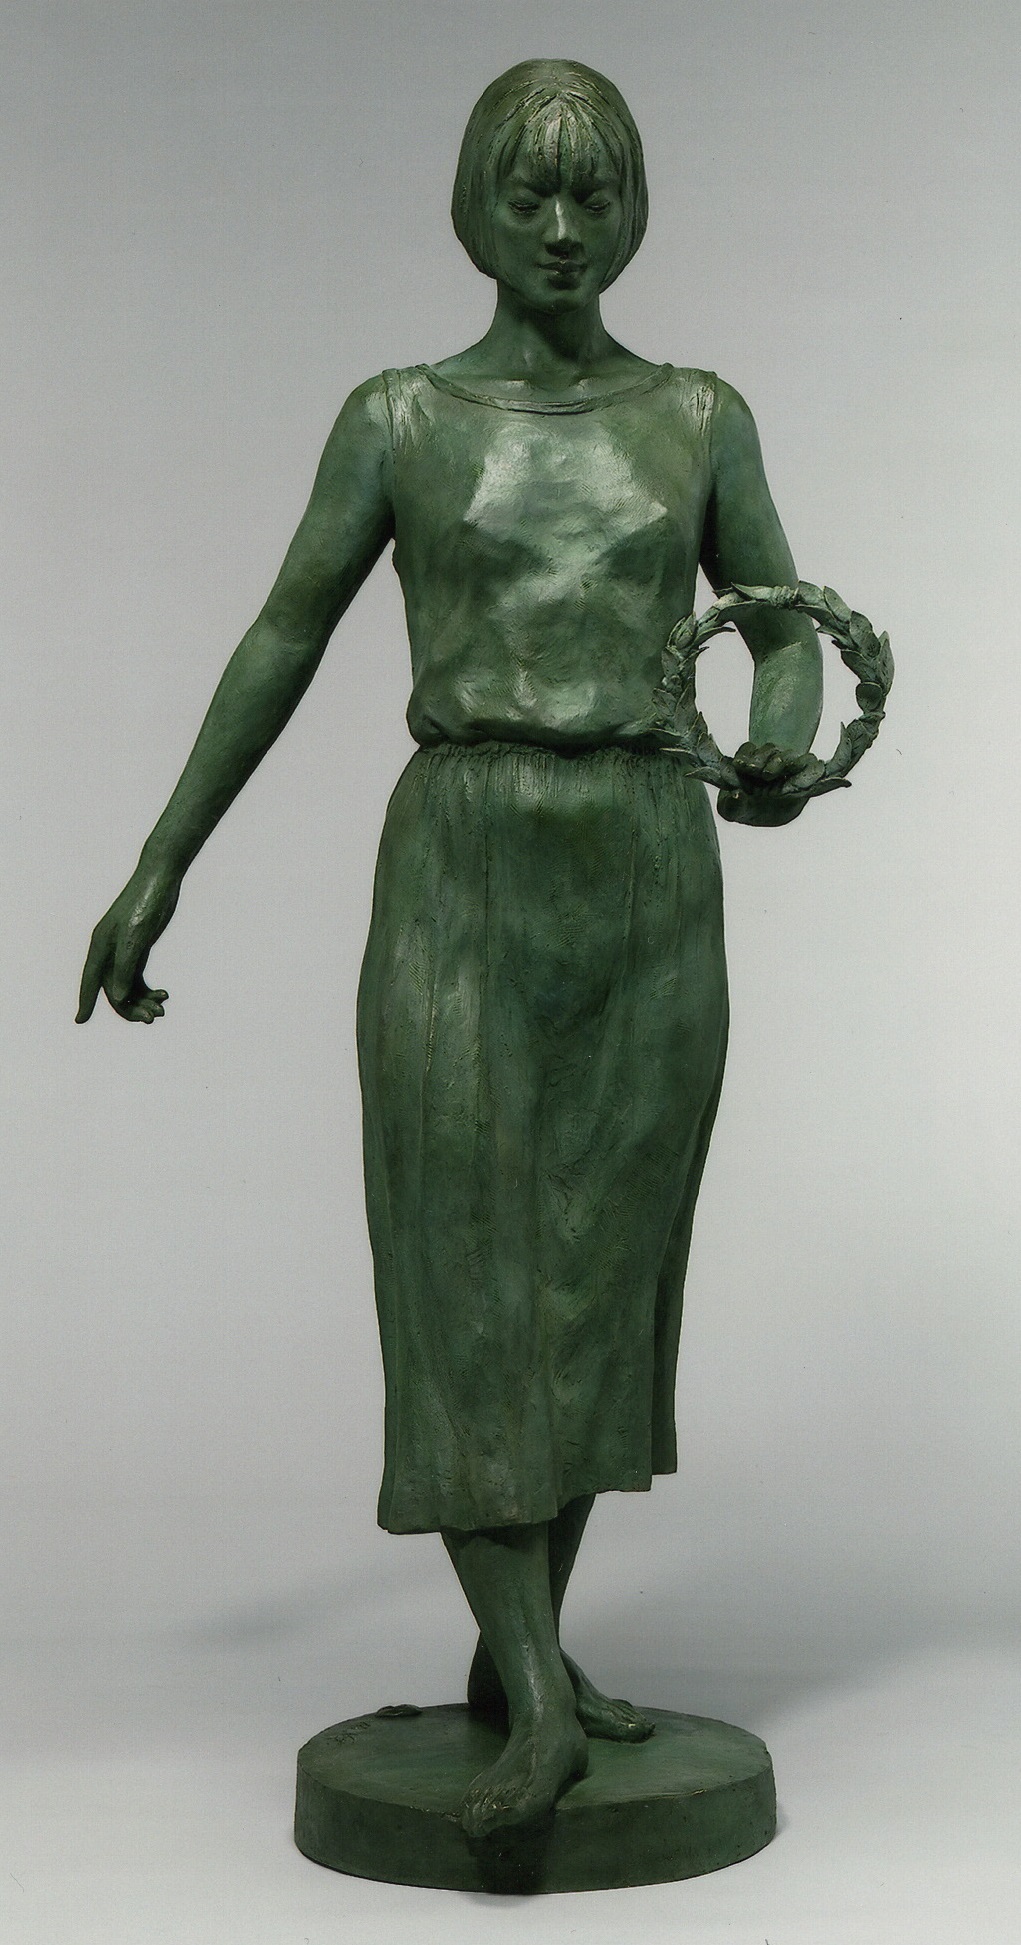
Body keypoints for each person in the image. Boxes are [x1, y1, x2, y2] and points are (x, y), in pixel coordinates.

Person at [78, 60, 822, 1839]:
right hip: (463, 862)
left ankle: (522, 1655)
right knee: (465, 1270)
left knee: (598, 1275)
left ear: (634, 211)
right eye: (526, 194)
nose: (560, 229)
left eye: (592, 195)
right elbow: (284, 633)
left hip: (644, 864)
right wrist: (161, 860)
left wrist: (777, 740)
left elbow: (782, 622)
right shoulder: (398, 417)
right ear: (471, 209)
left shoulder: (700, 415)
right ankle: (543, 1700)